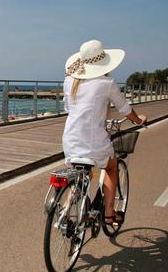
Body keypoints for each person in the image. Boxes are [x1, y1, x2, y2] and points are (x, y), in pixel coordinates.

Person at [62, 40, 147, 225]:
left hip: (70, 139)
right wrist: (139, 120)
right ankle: (109, 213)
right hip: (93, 141)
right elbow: (125, 109)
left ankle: (66, 210)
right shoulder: (107, 82)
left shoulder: (69, 81)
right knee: (111, 166)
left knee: (80, 174)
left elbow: (71, 108)